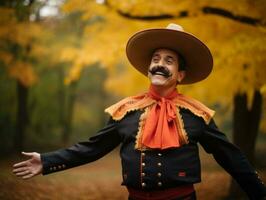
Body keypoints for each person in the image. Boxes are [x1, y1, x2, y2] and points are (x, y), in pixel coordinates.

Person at [13, 23, 266, 200]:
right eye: (156, 59)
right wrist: (47, 161)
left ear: (180, 75)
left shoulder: (195, 114)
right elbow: (92, 148)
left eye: (169, 60)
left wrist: (259, 192)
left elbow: (231, 157)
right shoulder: (126, 110)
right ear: (148, 68)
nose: (160, 64)